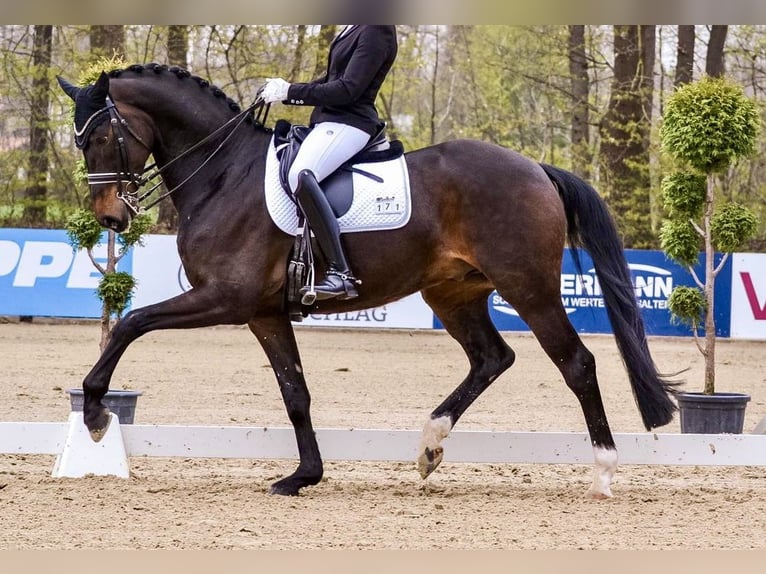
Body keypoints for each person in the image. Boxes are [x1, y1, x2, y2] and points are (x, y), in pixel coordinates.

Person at [259, 25, 398, 301]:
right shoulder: (355, 26)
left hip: (351, 123)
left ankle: (341, 273)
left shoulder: (377, 29)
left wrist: (290, 92)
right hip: (329, 121)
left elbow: (348, 90)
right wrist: (287, 90)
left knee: (301, 173)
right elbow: (331, 80)